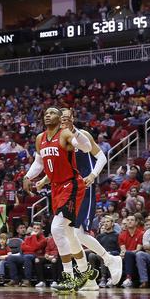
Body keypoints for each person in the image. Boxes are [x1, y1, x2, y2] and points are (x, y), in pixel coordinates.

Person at [38, 108, 122, 289]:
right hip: (67, 187)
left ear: (73, 119)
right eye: (63, 118)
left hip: (84, 185)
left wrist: (93, 175)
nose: (65, 121)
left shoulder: (81, 135)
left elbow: (101, 157)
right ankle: (89, 279)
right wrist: (44, 179)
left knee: (77, 232)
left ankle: (109, 260)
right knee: (70, 233)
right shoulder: (59, 138)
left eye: (68, 118)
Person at [23, 107, 96, 293]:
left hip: (71, 185)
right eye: (46, 113)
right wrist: (27, 177)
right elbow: (39, 163)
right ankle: (85, 271)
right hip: (56, 188)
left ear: (59, 118)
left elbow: (86, 147)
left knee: (56, 228)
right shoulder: (40, 138)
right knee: (68, 234)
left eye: (52, 113)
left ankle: (69, 277)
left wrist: (76, 137)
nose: (48, 115)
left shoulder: (64, 134)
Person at [118, 214, 144, 288]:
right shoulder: (121, 235)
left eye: (132, 220)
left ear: (136, 222)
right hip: (126, 255)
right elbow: (123, 249)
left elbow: (138, 249)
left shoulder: (141, 233)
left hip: (136, 255)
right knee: (113, 254)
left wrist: (126, 253)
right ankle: (111, 278)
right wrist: (123, 253)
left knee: (128, 254)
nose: (129, 222)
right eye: (128, 220)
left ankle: (128, 278)